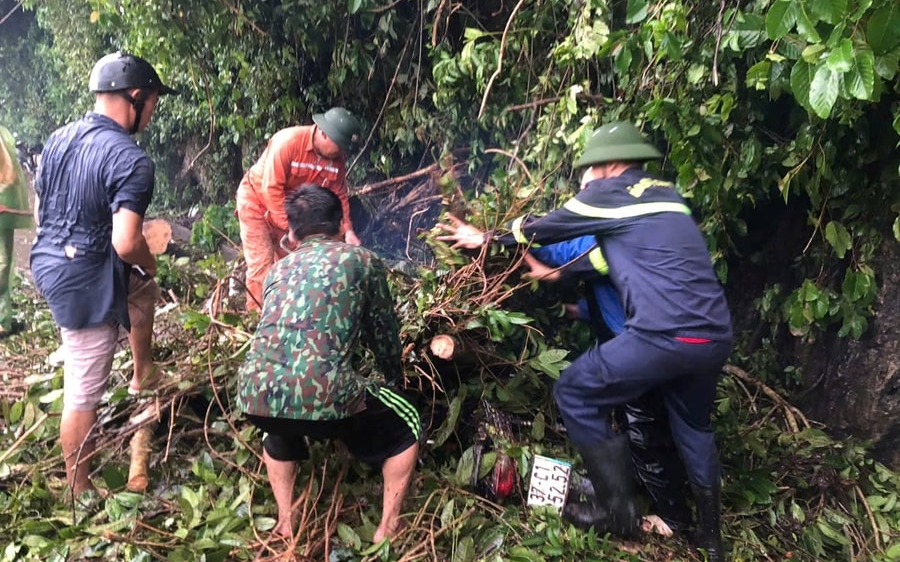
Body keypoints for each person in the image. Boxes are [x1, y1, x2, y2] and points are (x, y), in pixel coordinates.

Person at [437, 121, 731, 561]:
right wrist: (550, 276)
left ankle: (617, 511)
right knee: (694, 429)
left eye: (589, 172)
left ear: (608, 165)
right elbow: (596, 259)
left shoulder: (611, 192)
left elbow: (546, 227)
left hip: (662, 335)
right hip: (712, 336)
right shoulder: (668, 199)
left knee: (574, 390)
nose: (585, 182)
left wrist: (487, 238)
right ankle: (710, 539)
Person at [237, 184, 419, 544]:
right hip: (325, 394)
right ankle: (388, 527)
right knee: (407, 424)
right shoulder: (363, 261)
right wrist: (395, 380)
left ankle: (286, 523)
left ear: (291, 233)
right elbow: (383, 333)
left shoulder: (276, 271)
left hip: (255, 394)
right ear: (340, 226)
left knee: (278, 422)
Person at [29, 51, 175, 497]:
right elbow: (126, 242)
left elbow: (43, 210)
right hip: (82, 282)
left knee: (140, 290)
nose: (152, 112)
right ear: (135, 97)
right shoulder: (132, 160)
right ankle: (80, 491)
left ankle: (143, 371)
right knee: (83, 390)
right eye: (152, 103)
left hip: (50, 260)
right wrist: (153, 264)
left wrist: (139, 274)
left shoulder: (57, 139)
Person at [524, 237, 693, 537]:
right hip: (656, 341)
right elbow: (615, 287)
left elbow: (556, 249)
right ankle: (637, 486)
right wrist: (580, 310)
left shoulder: (595, 236)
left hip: (637, 347)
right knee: (643, 421)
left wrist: (503, 234)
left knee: (643, 426)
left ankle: (667, 515)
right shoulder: (632, 230)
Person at [235, 107, 364, 312]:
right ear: (323, 133)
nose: (341, 152)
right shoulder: (287, 142)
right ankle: (256, 319)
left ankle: (288, 312)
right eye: (339, 145)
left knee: (295, 263)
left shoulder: (336, 161)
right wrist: (291, 227)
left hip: (291, 209)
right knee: (262, 263)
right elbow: (271, 188)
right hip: (256, 202)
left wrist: (347, 230)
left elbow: (338, 195)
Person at [0, 124, 34, 338]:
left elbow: (9, 175)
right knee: (2, 262)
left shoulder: (3, 137)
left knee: (3, 263)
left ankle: (3, 320)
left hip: (3, 210)